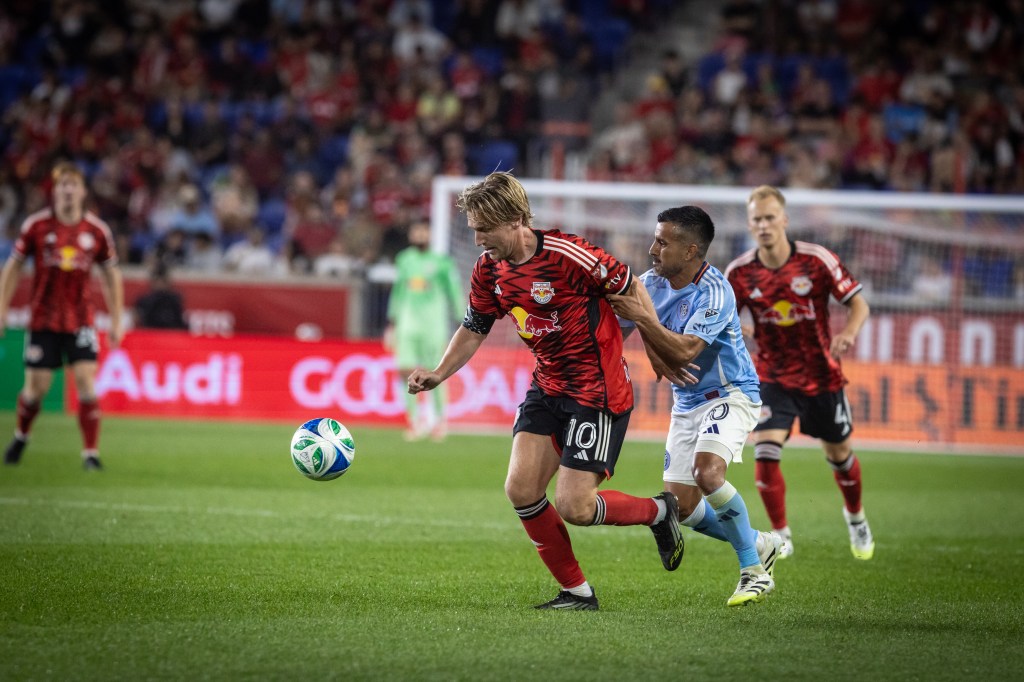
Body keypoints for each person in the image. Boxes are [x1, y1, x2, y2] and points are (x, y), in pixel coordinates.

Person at [407, 172, 683, 610]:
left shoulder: (569, 255)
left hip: (599, 392)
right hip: (547, 385)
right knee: (520, 490)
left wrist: (659, 349)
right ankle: (577, 593)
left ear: (516, 220)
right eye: (473, 229)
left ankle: (660, 511)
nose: (477, 238)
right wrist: (440, 373)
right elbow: (475, 326)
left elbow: (631, 288)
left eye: (484, 229)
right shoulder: (489, 270)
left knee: (575, 506)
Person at [609, 206, 782, 607]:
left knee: (708, 473)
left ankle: (753, 572)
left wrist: (647, 326)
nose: (653, 248)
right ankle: (759, 542)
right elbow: (613, 333)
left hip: (731, 394)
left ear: (690, 251)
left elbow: (686, 351)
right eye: (654, 239)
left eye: (662, 242)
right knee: (683, 508)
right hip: (686, 403)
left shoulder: (716, 291)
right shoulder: (649, 285)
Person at [725, 185, 874, 560]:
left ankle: (855, 518)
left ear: (784, 220)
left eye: (770, 217)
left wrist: (849, 333)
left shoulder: (816, 260)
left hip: (822, 376)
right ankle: (782, 535)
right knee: (765, 450)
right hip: (772, 376)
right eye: (756, 219)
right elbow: (722, 317)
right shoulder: (740, 272)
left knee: (840, 454)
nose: (763, 225)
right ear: (749, 224)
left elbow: (859, 305)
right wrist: (736, 330)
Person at [0, 161, 124, 470]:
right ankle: (21, 436)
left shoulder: (96, 231)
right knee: (36, 390)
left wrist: (117, 319)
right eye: (62, 185)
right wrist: (1, 309)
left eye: (73, 184)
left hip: (81, 319)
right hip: (43, 319)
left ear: (83, 191)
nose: (67, 190)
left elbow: (112, 276)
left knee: (86, 382)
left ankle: (91, 454)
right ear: (55, 192)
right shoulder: (36, 227)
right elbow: (13, 267)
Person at [384, 221, 463, 441]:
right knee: (405, 373)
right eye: (416, 230)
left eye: (423, 230)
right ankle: (415, 421)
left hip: (433, 326)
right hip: (407, 326)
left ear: (430, 234)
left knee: (434, 373)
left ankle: (439, 421)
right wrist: (392, 322)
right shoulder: (404, 260)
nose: (419, 234)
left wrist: (462, 318)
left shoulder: (442, 262)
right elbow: (398, 291)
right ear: (411, 234)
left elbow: (453, 291)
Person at [134, 264, 187, 330]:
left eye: (163, 281)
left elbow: (180, 322)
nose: (160, 284)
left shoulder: (174, 300)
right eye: (157, 281)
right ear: (152, 282)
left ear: (168, 282)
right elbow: (139, 322)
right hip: (150, 335)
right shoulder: (145, 300)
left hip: (171, 335)